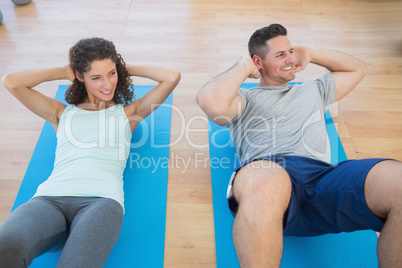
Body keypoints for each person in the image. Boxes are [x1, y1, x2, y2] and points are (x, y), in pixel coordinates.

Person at [196, 24, 402, 267]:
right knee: (265, 180)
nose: (290, 59)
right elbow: (210, 102)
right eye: (280, 54)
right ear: (257, 62)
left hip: (323, 178)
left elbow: (358, 68)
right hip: (270, 178)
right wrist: (243, 66)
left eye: (291, 51)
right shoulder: (244, 100)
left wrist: (312, 54)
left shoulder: (313, 90)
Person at [0, 37, 180, 268]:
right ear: (79, 76)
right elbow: (12, 82)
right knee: (6, 246)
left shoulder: (129, 113)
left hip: (101, 202)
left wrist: (121, 67)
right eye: (96, 77)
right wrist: (64, 71)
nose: (107, 84)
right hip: (49, 200)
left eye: (111, 73)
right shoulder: (60, 112)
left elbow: (172, 76)